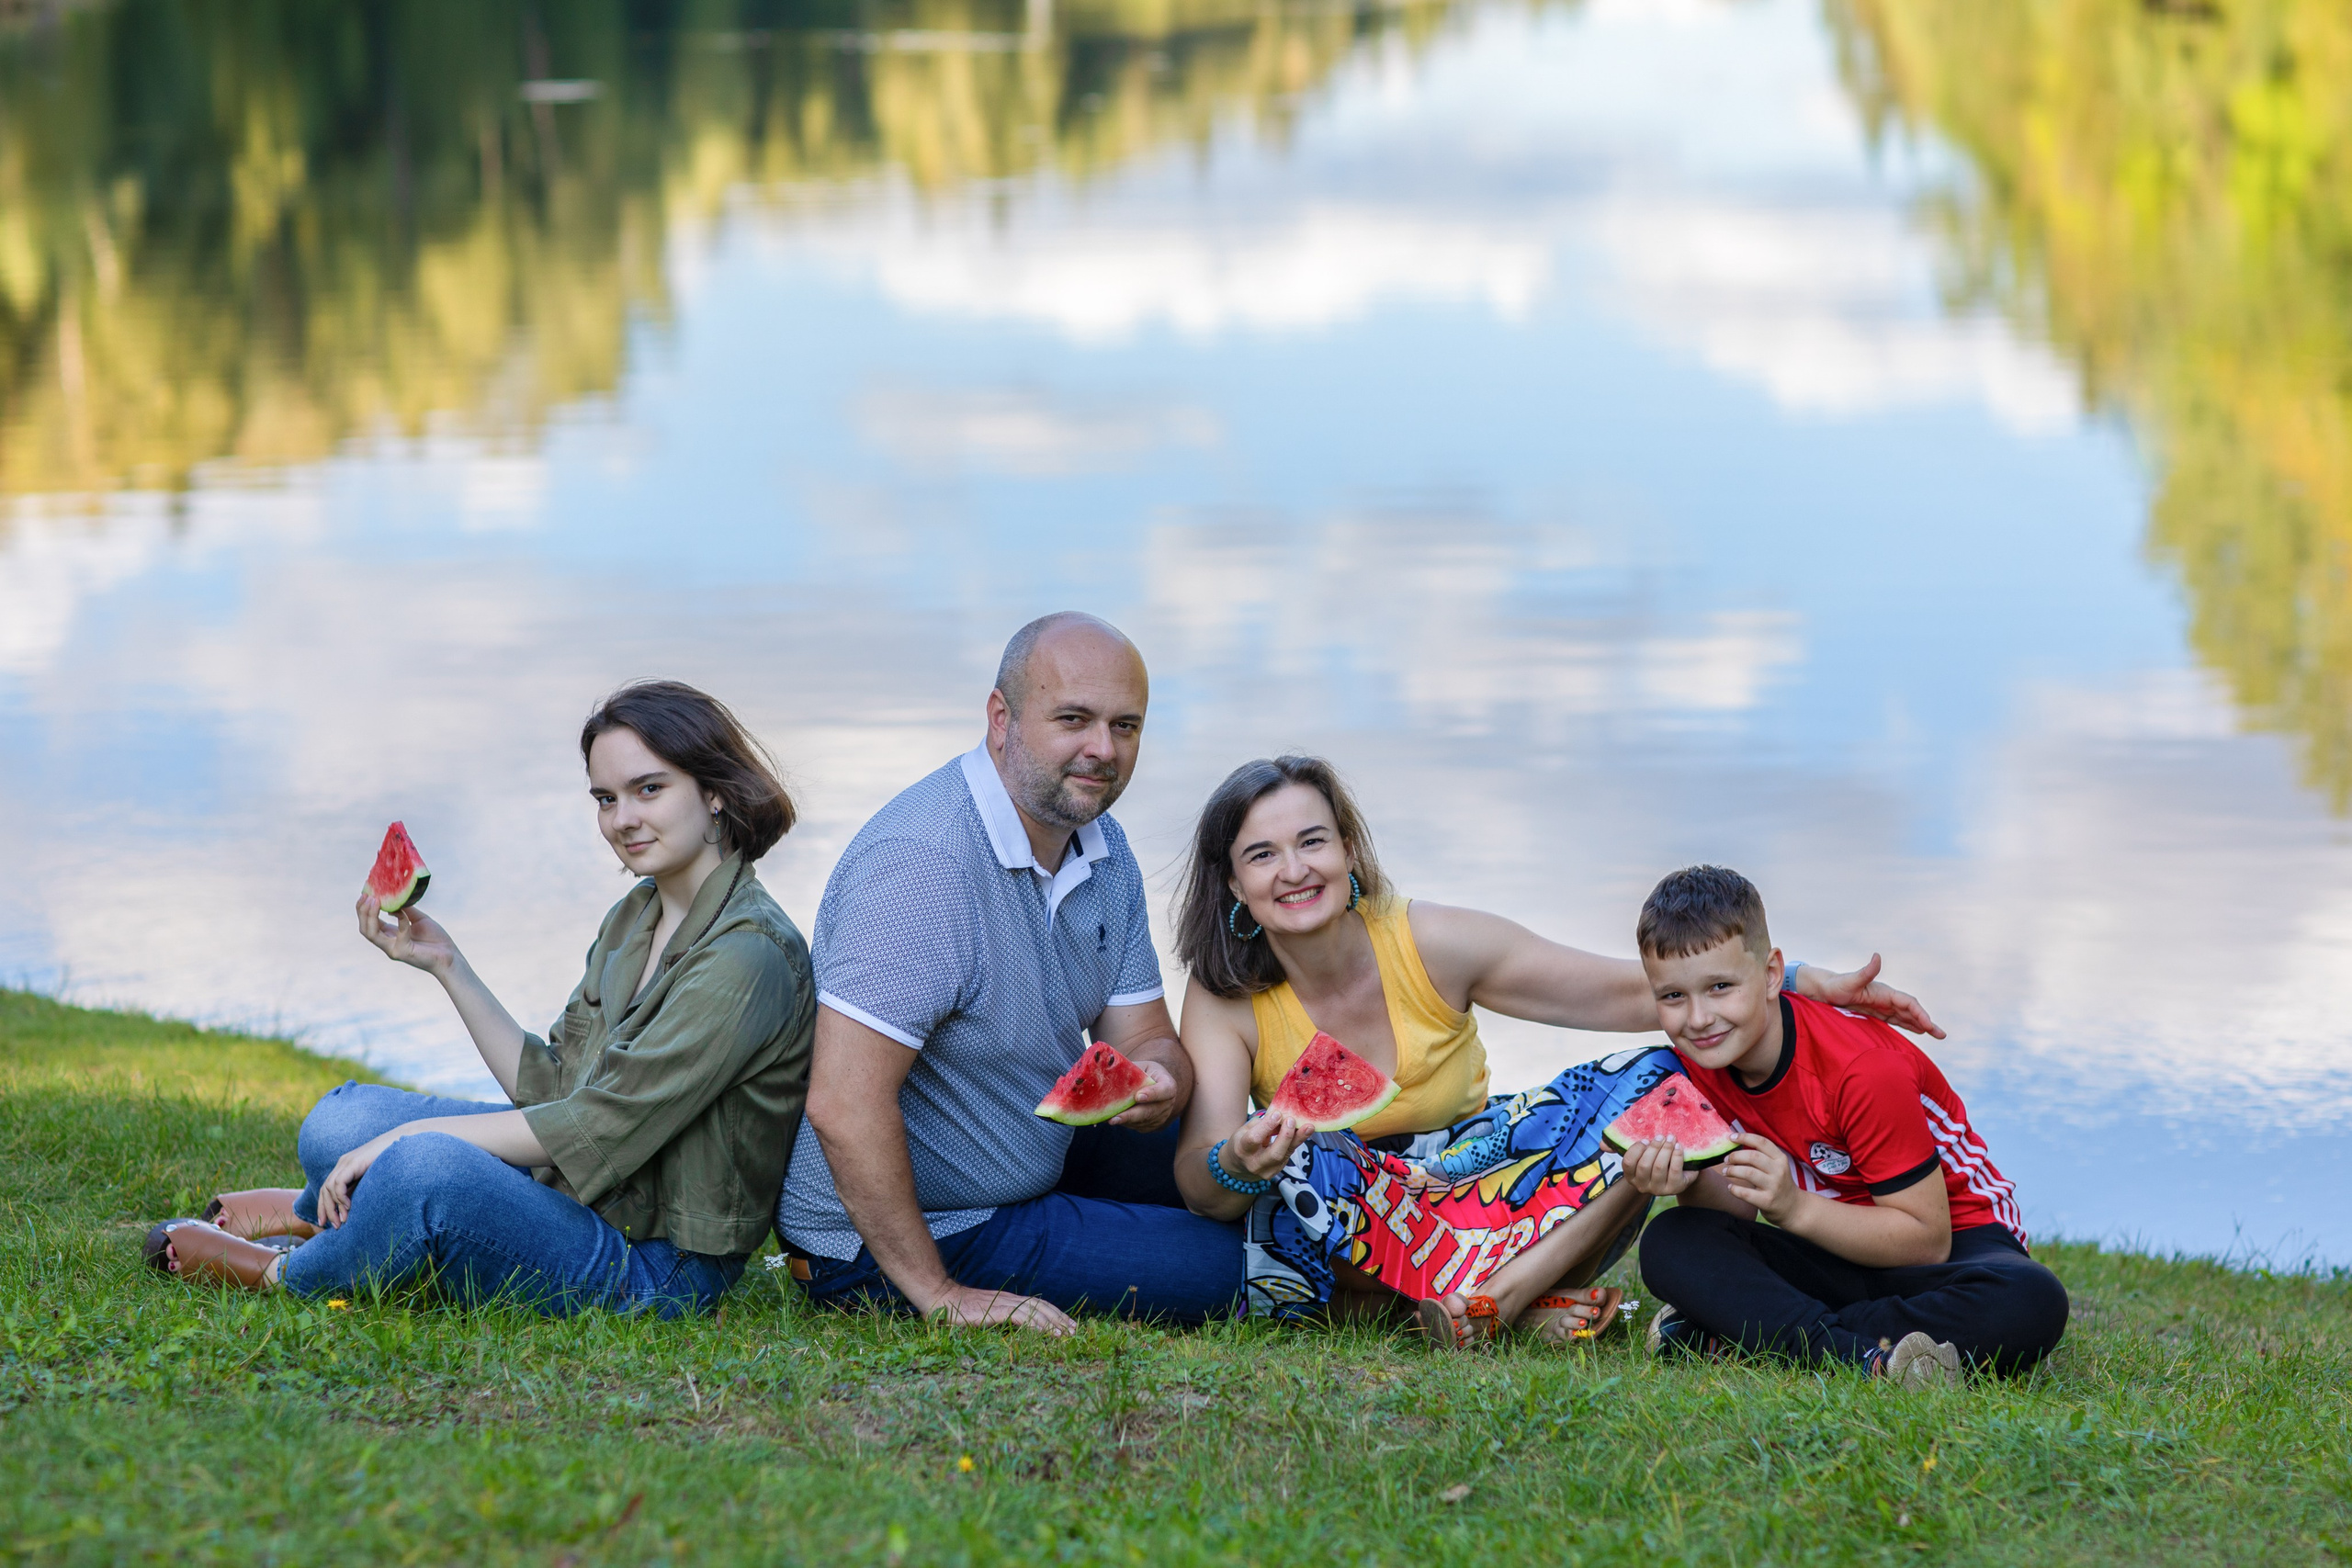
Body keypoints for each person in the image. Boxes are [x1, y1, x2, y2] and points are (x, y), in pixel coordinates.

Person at [1171, 755, 1946, 1345]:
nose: (1296, 869)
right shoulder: (1224, 995)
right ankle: (1494, 1308)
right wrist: (1236, 1159)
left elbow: (1631, 994)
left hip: (1488, 1187)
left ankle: (1501, 1299)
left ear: (1348, 849)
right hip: (1349, 1208)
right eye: (1264, 855)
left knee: (1661, 1080)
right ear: (1235, 885)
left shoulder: (1432, 938)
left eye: (1313, 841)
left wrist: (1803, 980)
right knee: (1305, 1163)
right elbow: (1203, 1185)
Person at [144, 681, 816, 1318]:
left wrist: (408, 1138)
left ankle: (284, 1270)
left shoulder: (746, 955)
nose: (624, 819)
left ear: (717, 793)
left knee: (418, 1161)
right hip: (578, 1191)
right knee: (339, 1120)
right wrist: (447, 965)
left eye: (649, 789)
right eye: (606, 798)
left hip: (657, 1264)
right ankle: (313, 1208)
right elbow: (551, 1082)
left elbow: (593, 1126)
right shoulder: (636, 916)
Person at [778, 613, 1238, 1334]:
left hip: (1036, 1148)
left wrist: (1161, 1080)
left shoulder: (1103, 847)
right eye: (1073, 719)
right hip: (908, 1232)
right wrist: (940, 1293)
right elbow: (842, 1103)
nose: (1103, 749)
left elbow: (1147, 1035)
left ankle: (1423, 1218)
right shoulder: (922, 865)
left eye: (1126, 725)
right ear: (1002, 718)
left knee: (1250, 1176)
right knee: (1235, 1268)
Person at [1626, 864, 2068, 1385]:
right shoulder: (1698, 1063)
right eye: (1673, 997)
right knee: (1671, 1240)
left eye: (1720, 987)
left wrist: (1791, 1206)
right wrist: (1686, 1179)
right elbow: (1735, 1212)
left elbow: (1926, 1242)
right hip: (1831, 1251)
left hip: (1953, 1247)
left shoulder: (1862, 1070)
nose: (1698, 1019)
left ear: (1771, 975)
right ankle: (1869, 1357)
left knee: (2031, 1300)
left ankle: (1765, 1336)